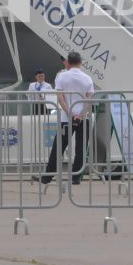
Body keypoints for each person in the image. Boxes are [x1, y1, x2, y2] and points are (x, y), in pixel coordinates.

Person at [41, 51, 97, 185]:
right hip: (84, 118)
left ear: (68, 62)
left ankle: (48, 176)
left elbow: (60, 98)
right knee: (81, 148)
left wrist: (70, 113)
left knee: (58, 146)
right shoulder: (87, 78)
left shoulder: (62, 77)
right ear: (80, 62)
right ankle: (76, 176)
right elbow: (89, 99)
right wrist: (81, 114)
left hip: (66, 118)